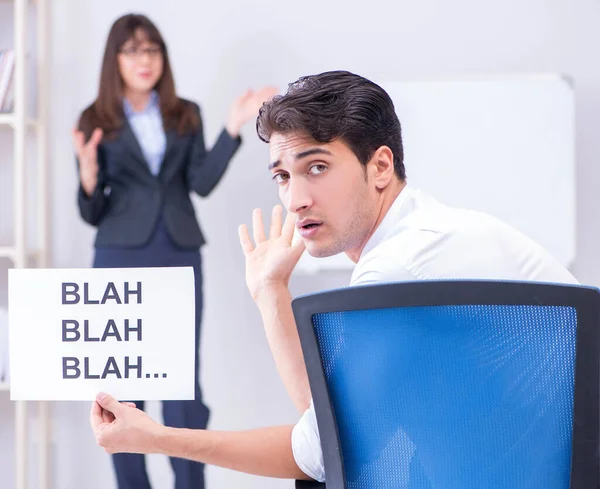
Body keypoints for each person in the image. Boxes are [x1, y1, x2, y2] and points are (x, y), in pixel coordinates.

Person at [89, 70, 579, 483]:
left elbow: (321, 457)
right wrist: (270, 291)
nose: (295, 197)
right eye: (282, 176)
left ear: (380, 166)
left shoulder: (398, 270)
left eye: (316, 167)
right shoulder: (426, 230)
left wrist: (154, 438)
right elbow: (333, 427)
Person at [73, 13, 276, 489]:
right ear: (115, 60)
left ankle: (190, 483)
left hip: (179, 252)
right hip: (119, 256)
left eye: (152, 50)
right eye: (132, 51)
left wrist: (232, 126)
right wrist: (87, 176)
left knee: (181, 382)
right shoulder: (94, 120)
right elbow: (91, 210)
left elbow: (201, 182)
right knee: (121, 386)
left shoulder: (185, 113)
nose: (144, 61)